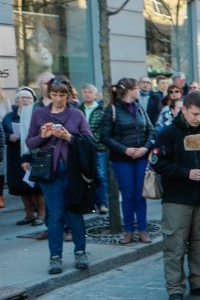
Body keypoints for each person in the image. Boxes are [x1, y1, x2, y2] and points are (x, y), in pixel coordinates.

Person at [152, 90, 200, 300]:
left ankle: (199, 282)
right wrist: (186, 173)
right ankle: (175, 289)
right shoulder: (168, 133)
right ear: (183, 109)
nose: (197, 118)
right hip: (177, 198)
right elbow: (158, 163)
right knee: (174, 246)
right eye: (194, 113)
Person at [26, 78, 93, 274]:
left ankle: (80, 251)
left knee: (75, 212)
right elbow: (30, 142)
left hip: (73, 171)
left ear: (68, 95)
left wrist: (69, 137)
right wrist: (43, 136)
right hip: (49, 171)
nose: (58, 99)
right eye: (54, 95)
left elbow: (90, 141)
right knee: (55, 215)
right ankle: (55, 256)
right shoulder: (39, 114)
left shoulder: (77, 114)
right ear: (49, 95)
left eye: (61, 95)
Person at [99, 77, 156, 244]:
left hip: (141, 158)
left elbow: (151, 132)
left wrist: (145, 148)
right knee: (128, 194)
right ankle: (129, 231)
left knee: (141, 194)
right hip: (121, 160)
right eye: (136, 88)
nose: (139, 90)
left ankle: (143, 230)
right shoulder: (112, 110)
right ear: (129, 91)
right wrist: (125, 149)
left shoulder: (139, 108)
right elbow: (105, 136)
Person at [3, 88, 45, 225]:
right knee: (21, 186)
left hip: (34, 154)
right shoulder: (9, 117)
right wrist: (9, 136)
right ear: (16, 101)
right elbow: (2, 133)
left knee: (38, 186)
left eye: (29, 98)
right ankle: (29, 215)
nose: (26, 100)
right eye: (23, 98)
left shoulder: (38, 114)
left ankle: (41, 215)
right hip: (16, 156)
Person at [78, 83, 109, 214]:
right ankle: (89, 203)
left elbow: (104, 130)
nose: (87, 94)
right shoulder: (78, 110)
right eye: (85, 91)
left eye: (90, 92)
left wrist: (95, 141)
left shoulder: (101, 110)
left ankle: (102, 203)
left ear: (96, 95)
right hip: (83, 148)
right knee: (85, 177)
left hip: (99, 148)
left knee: (101, 176)